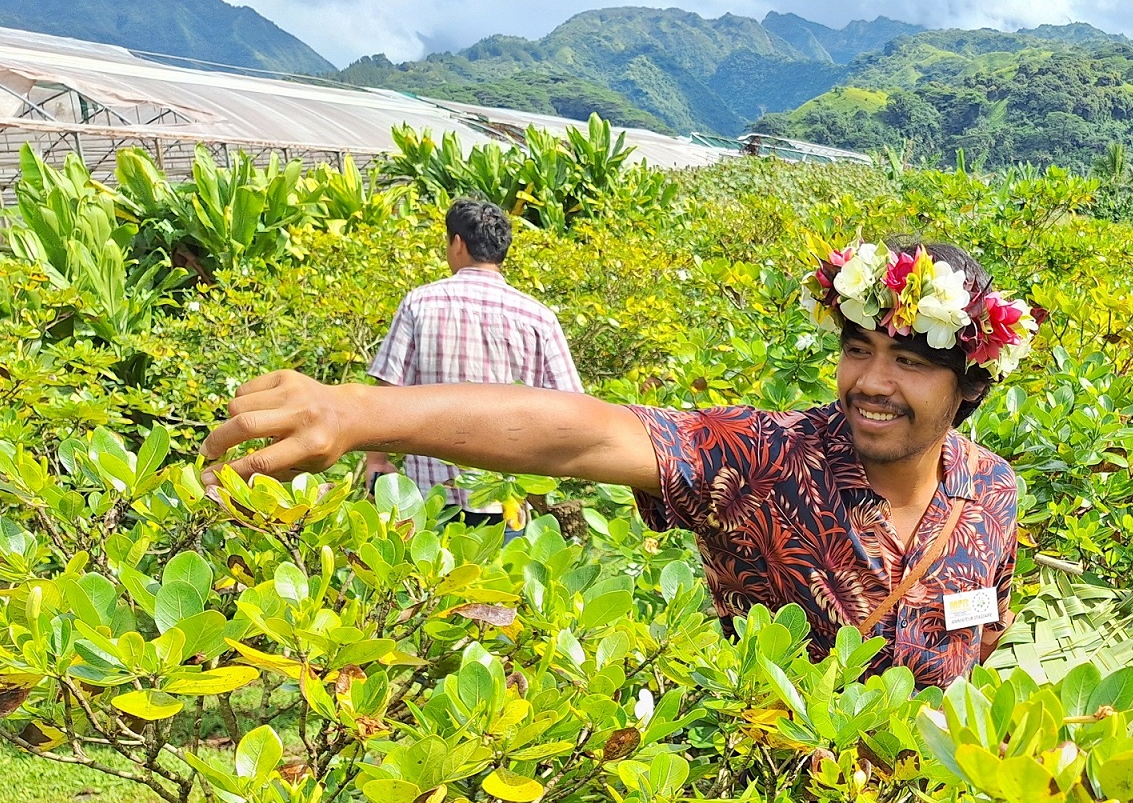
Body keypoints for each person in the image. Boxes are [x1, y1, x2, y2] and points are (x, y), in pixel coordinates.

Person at [202, 236, 1030, 690]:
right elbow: (583, 433)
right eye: (858, 349)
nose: (873, 383)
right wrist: (361, 411)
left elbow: (975, 644)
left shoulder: (993, 491)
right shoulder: (763, 456)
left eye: (912, 363)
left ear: (969, 386)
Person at [365, 199, 584, 530]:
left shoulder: (420, 303)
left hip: (431, 502)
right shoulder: (538, 317)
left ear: (457, 243)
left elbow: (386, 394)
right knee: (504, 579)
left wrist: (377, 462)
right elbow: (573, 410)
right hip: (508, 503)